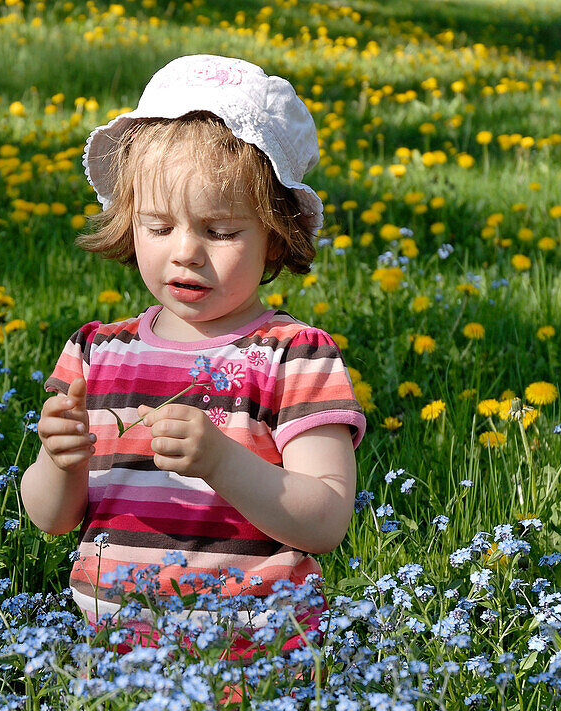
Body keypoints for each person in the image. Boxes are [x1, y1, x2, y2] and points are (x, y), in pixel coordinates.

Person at [20, 54, 366, 679]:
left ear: (276, 236)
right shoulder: (97, 351)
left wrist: (221, 462)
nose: (186, 252)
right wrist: (59, 460)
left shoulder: (295, 354)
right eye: (158, 225)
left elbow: (325, 520)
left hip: (253, 649)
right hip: (111, 651)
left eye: (221, 230)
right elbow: (52, 517)